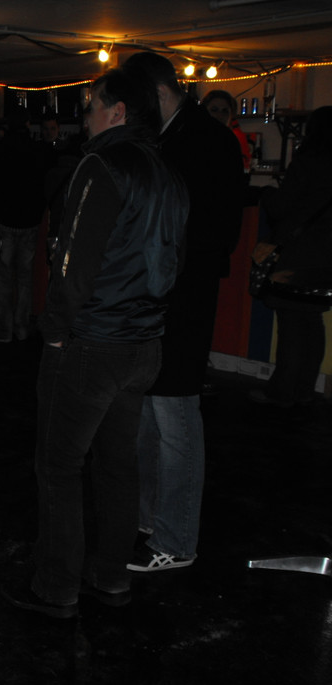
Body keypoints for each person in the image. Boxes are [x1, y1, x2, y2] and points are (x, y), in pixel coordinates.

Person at [1, 68, 188, 618]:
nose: (85, 117)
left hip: (94, 341)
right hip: (144, 343)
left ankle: (56, 585)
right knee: (117, 465)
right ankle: (111, 575)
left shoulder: (102, 165)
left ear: (117, 112)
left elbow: (72, 261)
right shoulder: (168, 171)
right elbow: (175, 260)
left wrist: (57, 332)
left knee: (59, 466)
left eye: (91, 106)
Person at [122, 53, 245, 574]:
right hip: (161, 298)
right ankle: (149, 520)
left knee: (174, 418)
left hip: (183, 300)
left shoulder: (205, 141)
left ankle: (175, 539)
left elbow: (215, 234)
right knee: (151, 415)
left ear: (157, 92)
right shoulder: (171, 135)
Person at [249, 107, 332, 407]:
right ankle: (305, 389)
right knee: (312, 321)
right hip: (325, 256)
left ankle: (282, 390)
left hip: (297, 253)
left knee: (290, 323)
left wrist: (267, 193)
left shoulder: (307, 162)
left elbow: (282, 206)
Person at [0, 106, 56, 342]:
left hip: (5, 218)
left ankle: (3, 330)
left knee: (3, 278)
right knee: (25, 277)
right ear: (28, 124)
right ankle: (21, 327)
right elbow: (48, 184)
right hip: (30, 221)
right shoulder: (38, 150)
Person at [201, 90, 252, 172]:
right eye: (214, 110)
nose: (219, 115)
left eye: (225, 111)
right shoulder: (193, 141)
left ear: (231, 116)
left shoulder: (232, 142)